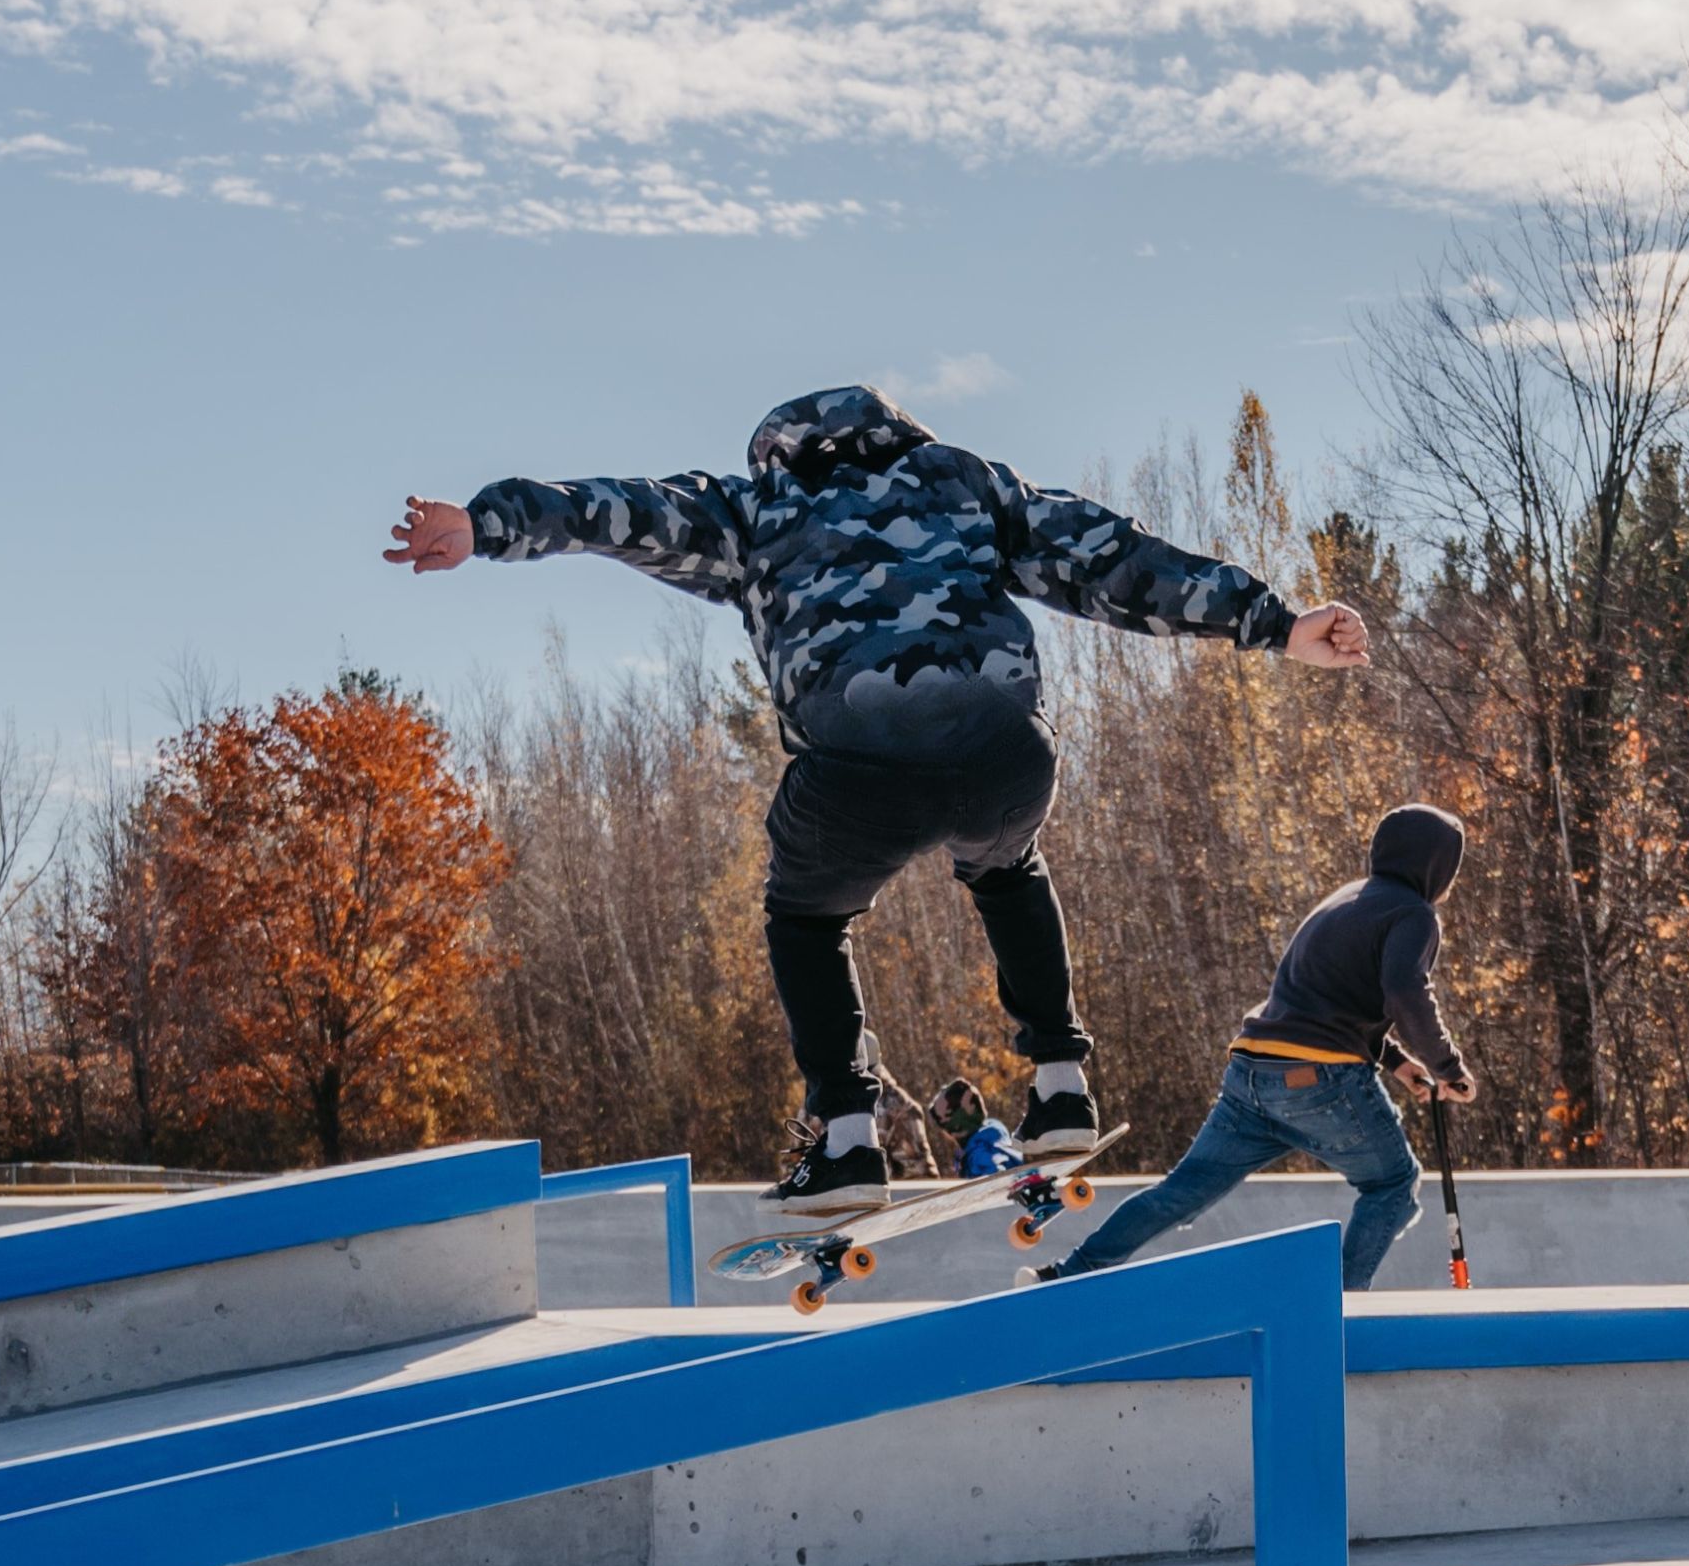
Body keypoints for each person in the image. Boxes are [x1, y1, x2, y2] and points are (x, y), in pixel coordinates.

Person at [384, 386, 1369, 1209]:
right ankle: (1062, 1087)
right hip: (1003, 751)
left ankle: (848, 1135)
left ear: (778, 449)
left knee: (805, 918)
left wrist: (485, 523)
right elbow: (1110, 554)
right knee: (1007, 867)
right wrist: (1276, 624)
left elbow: (617, 508)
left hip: (858, 763)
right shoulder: (966, 483)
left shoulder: (754, 504)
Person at [1035, 805, 1475, 1287]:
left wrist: (1395, 1060)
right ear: (1436, 866)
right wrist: (1447, 1066)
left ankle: (1067, 1274)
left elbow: (1320, 997)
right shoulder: (1415, 914)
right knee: (1392, 1185)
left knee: (1181, 1193)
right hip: (1320, 1082)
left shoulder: (1344, 901)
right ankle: (1343, 1307)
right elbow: (1405, 989)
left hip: (1251, 1073)